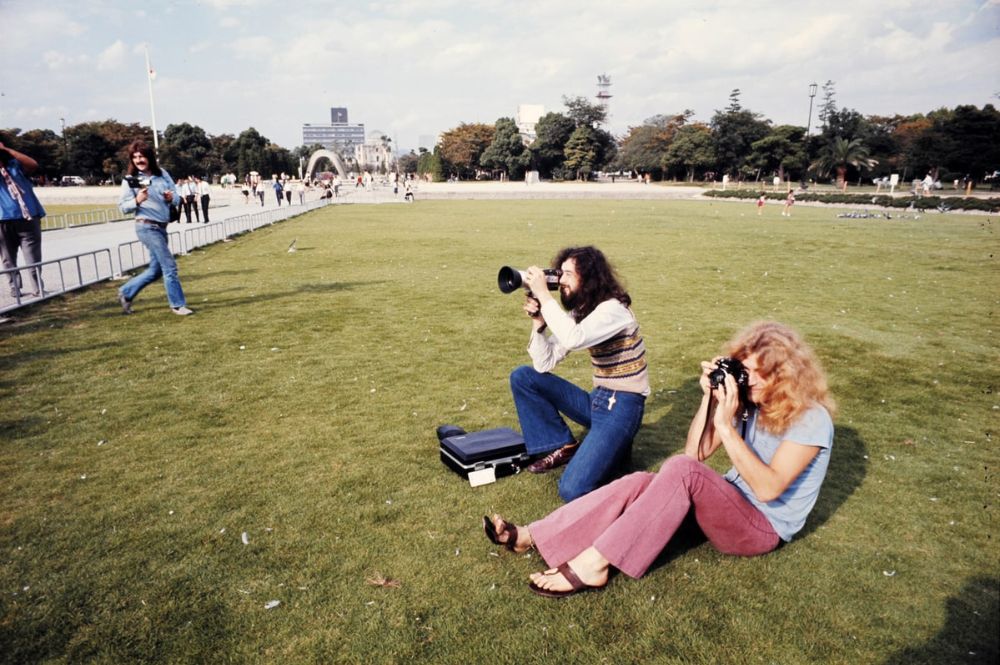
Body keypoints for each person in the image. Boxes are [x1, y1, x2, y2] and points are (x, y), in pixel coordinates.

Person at [485, 321, 835, 598]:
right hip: (727, 506)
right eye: (746, 372)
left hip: (759, 529)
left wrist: (727, 427)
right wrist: (711, 400)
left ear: (785, 376)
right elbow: (695, 453)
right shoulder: (751, 404)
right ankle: (531, 535)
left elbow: (769, 488)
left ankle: (594, 563)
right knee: (640, 481)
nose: (750, 382)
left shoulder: (811, 418)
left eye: (761, 374)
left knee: (683, 473)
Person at [509, 246, 649, 502]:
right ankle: (563, 446)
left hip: (623, 407)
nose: (560, 281)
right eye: (560, 274)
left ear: (590, 277)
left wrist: (543, 294)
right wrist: (539, 325)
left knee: (571, 489)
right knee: (524, 377)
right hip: (599, 401)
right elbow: (544, 363)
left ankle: (618, 454)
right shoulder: (583, 310)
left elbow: (573, 338)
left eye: (568, 274)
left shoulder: (613, 310)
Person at [116, 140, 193, 316]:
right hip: (146, 226)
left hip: (161, 227)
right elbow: (122, 208)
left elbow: (176, 199)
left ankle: (126, 292)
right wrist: (137, 201)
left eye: (141, 156)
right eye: (135, 157)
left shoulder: (162, 174)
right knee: (170, 266)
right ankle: (177, 305)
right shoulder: (131, 180)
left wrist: (170, 197)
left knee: (155, 270)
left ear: (149, 157)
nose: (138, 160)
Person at [0, 142, 46, 299]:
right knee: (8, 258)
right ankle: (15, 287)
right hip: (3, 220)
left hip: (28, 217)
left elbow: (33, 164)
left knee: (33, 256)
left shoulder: (15, 166)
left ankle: (37, 287)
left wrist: (7, 150)